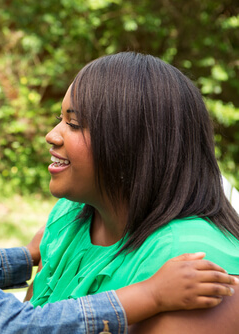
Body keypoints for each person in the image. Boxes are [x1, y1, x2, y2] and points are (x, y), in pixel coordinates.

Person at [0, 63, 237, 334]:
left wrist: (26, 257)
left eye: (74, 123)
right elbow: (17, 325)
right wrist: (148, 294)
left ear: (134, 145)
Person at [28, 52, 239, 332]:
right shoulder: (72, 215)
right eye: (61, 119)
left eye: (74, 124)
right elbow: (26, 320)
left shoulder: (196, 266)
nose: (52, 135)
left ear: (133, 145)